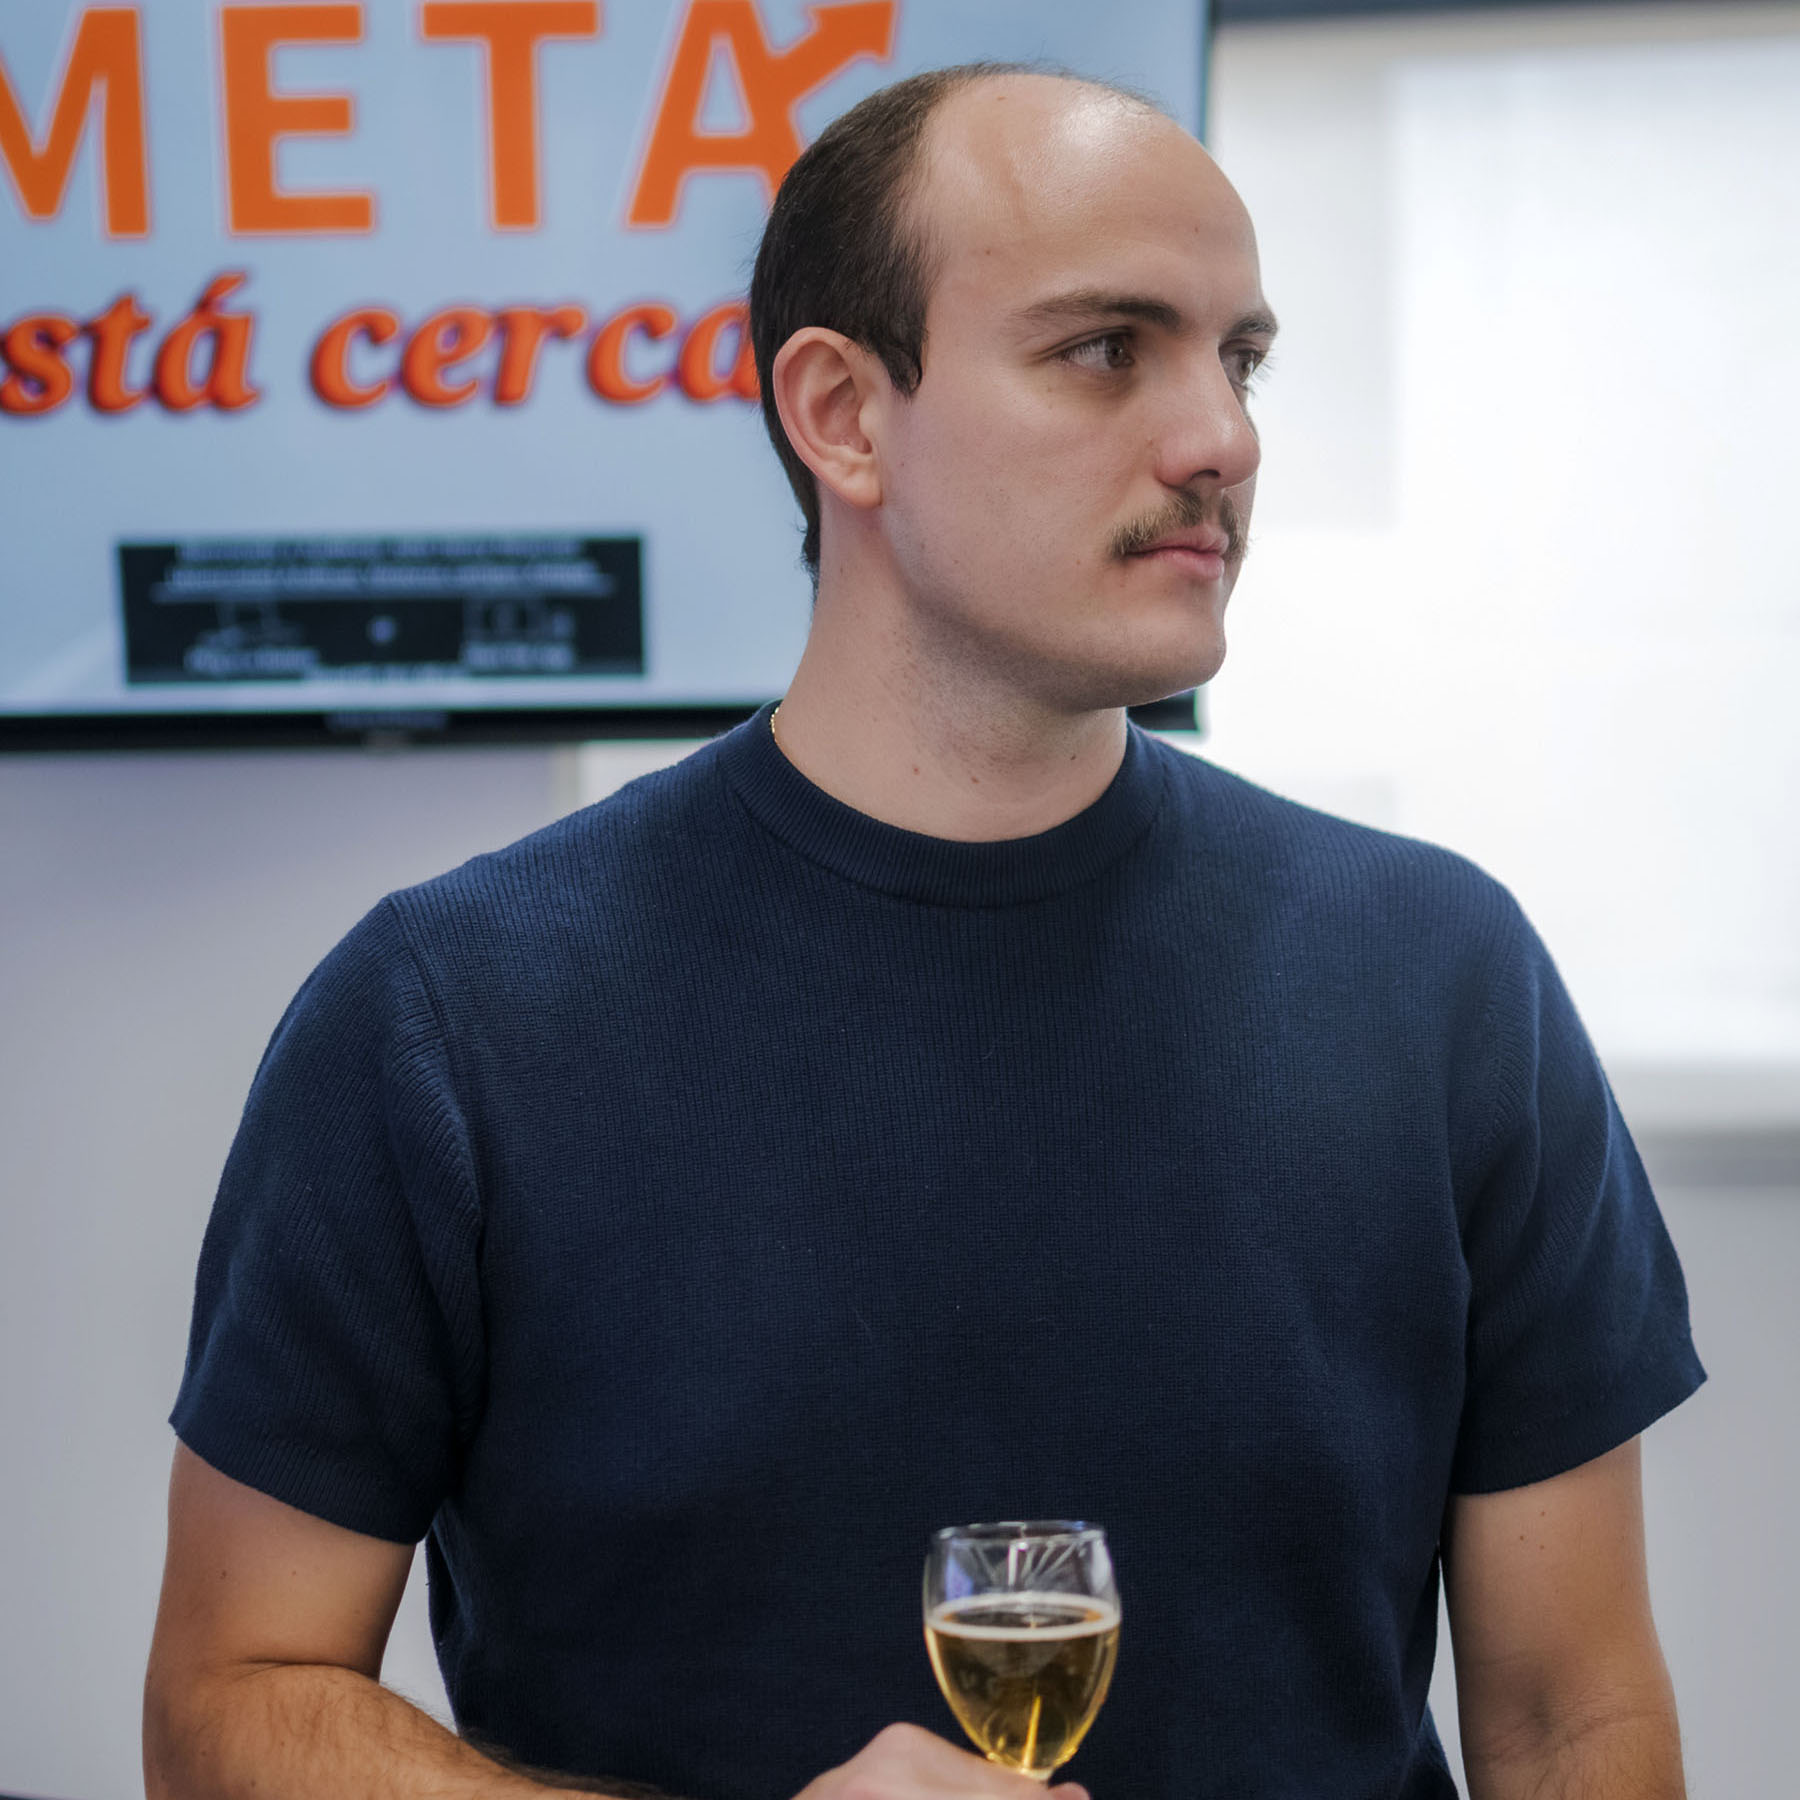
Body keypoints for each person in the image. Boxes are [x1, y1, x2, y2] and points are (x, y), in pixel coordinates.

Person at [144, 63, 1702, 1800]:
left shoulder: (1445, 977)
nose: (1223, 440)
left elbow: (1573, 1715)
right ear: (844, 416)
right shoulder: (448, 1017)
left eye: (1240, 359)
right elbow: (229, 1702)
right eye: (1104, 348)